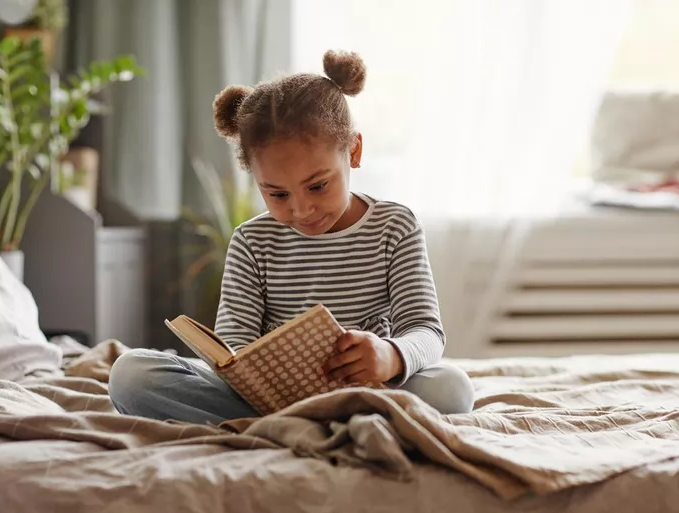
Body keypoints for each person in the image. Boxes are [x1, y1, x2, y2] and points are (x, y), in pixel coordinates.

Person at [108, 50, 474, 425]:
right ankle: (314, 423)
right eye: (277, 194)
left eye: (318, 186)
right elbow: (233, 346)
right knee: (130, 374)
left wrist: (390, 356)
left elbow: (425, 330)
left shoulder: (395, 227)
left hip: (366, 390)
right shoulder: (252, 242)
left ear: (354, 151)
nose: (301, 210)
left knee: (450, 388)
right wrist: (263, 372)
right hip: (267, 400)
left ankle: (282, 426)